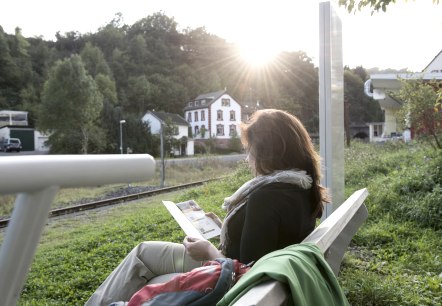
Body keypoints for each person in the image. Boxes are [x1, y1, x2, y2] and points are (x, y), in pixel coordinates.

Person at [85, 109, 329, 306]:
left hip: (225, 276)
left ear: (269, 152)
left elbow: (244, 273)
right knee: (144, 252)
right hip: (245, 269)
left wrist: (208, 251)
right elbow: (268, 239)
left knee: (143, 260)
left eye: (250, 151)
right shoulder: (302, 186)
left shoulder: (266, 196)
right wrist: (225, 227)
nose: (248, 159)